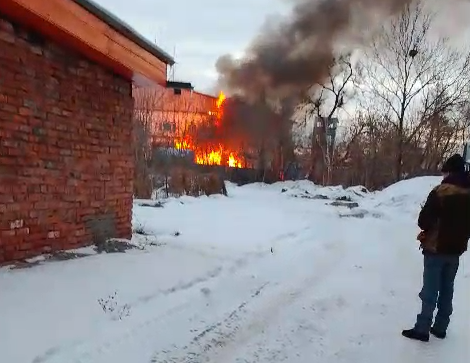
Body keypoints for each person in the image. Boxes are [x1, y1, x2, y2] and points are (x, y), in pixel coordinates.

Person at [402, 154, 470, 342]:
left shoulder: (441, 192)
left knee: (430, 290)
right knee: (448, 289)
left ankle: (422, 329)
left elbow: (424, 221)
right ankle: (441, 327)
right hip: (456, 249)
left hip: (436, 248)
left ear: (449, 171)